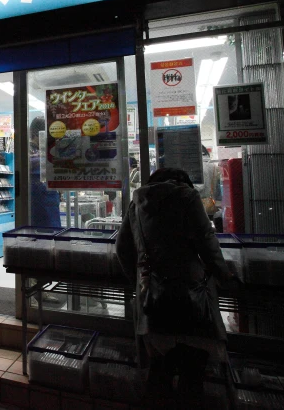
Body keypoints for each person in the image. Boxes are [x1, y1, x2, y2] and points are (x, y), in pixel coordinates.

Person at [117, 168, 236, 408]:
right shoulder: (187, 198)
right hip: (190, 300)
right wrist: (225, 275)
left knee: (159, 373)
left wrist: (140, 281)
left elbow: (122, 248)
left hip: (153, 301)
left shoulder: (137, 203)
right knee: (192, 378)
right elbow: (207, 243)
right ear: (183, 182)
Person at [29, 117, 61, 227]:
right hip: (38, 201)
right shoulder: (28, 151)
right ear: (35, 134)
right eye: (44, 135)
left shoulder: (45, 150)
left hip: (50, 199)